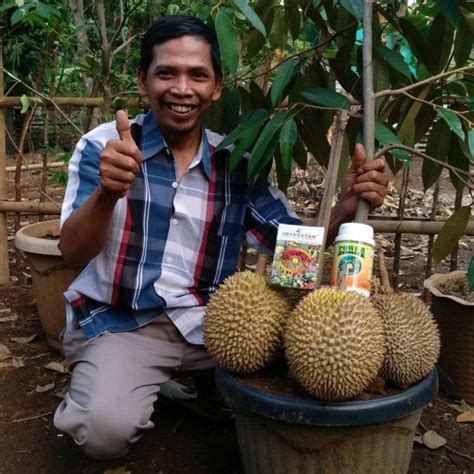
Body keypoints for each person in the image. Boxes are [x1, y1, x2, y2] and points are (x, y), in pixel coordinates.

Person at [54, 15, 388, 460]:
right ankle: (129, 379)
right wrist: (108, 193)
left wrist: (345, 208)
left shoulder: (237, 160)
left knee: (314, 370)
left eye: (198, 75)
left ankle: (193, 386)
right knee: (103, 433)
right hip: (124, 323)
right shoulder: (105, 148)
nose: (181, 88)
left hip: (213, 325)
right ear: (143, 81)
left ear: (216, 88)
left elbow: (290, 254)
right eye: (166, 73)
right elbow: (72, 250)